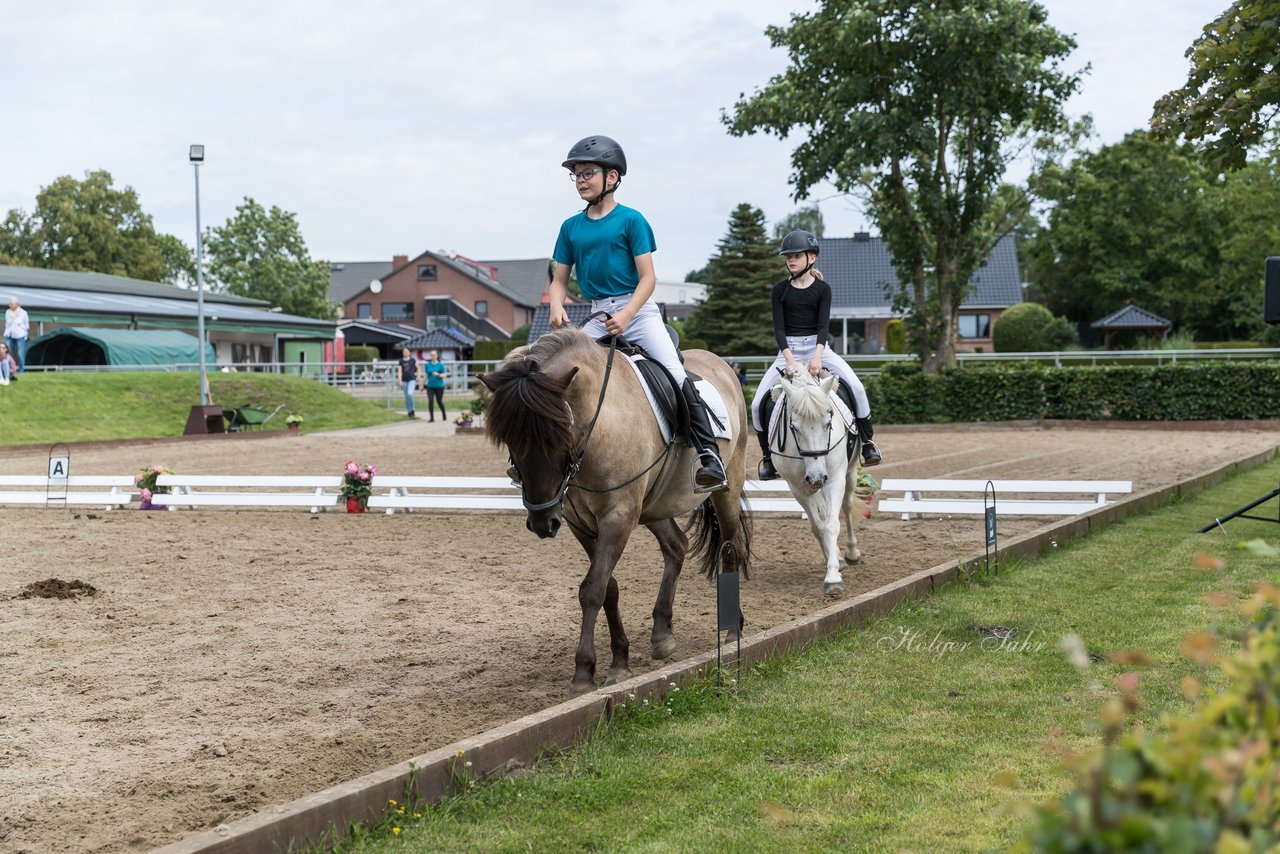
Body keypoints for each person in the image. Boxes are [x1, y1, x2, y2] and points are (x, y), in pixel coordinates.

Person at [547, 135, 727, 493]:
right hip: (597, 315)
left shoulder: (632, 220)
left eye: (588, 173)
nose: (581, 179)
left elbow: (649, 278)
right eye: (577, 174)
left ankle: (709, 456)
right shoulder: (570, 227)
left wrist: (628, 314)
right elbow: (559, 280)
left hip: (638, 311)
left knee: (676, 374)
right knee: (555, 377)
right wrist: (556, 305)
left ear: (611, 177)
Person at [751, 229, 883, 480]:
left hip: (819, 349)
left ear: (811, 258)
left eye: (796, 256)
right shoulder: (779, 290)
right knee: (757, 403)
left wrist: (817, 357)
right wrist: (789, 359)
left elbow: (823, 327)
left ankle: (867, 444)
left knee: (856, 386)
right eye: (788, 256)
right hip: (787, 351)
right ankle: (768, 458)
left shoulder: (823, 289)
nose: (790, 260)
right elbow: (778, 329)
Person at [5, 297, 29, 374]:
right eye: (10, 304)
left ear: (17, 304)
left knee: (20, 353)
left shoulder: (23, 313)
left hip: (20, 335)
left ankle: (21, 370)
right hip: (10, 334)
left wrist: (24, 334)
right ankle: (8, 369)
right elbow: (7, 323)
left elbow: (26, 325)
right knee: (7, 352)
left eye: (12, 304)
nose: (11, 305)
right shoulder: (7, 312)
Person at [423, 349, 447, 422]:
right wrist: (422, 384)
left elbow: (444, 375)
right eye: (431, 355)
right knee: (430, 401)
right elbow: (426, 375)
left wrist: (438, 374)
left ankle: (443, 413)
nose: (432, 356)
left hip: (439, 386)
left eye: (434, 355)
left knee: (439, 401)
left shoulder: (440, 365)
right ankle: (432, 418)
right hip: (430, 386)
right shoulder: (428, 365)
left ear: (437, 356)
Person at [396, 347, 419, 418]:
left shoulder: (413, 360)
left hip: (412, 379)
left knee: (410, 394)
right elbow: (399, 371)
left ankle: (413, 409)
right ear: (403, 353)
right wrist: (399, 380)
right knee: (406, 397)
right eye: (404, 352)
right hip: (404, 380)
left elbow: (418, 368)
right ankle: (409, 411)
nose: (405, 353)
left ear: (409, 353)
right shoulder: (401, 361)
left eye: (407, 351)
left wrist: (418, 376)